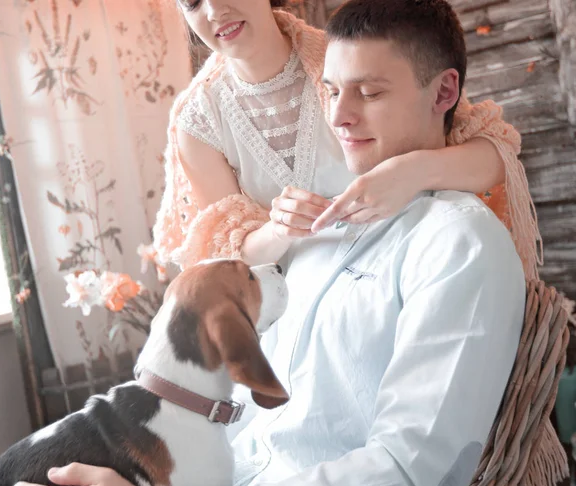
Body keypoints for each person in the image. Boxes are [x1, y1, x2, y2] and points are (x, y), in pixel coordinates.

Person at [6, 1, 539, 486]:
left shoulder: (458, 246)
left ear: (443, 94)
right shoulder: (311, 241)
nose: (339, 115)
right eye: (331, 91)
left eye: (371, 92)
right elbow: (248, 421)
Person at [153, 0, 539, 280]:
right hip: (297, 320)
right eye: (192, 2)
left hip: (411, 272)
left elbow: (493, 155)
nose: (214, 11)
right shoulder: (198, 122)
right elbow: (226, 259)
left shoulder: (348, 56)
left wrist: (409, 172)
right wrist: (277, 230)